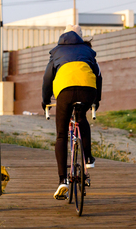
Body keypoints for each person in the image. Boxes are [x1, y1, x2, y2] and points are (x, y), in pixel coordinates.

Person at [42, 24, 102, 200]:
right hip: (88, 91)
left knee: (61, 135)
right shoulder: (88, 52)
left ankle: (62, 181)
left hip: (65, 93)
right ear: (80, 37)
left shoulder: (56, 52)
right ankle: (88, 158)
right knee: (81, 118)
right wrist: (96, 101)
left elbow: (47, 79)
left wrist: (45, 100)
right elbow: (98, 76)